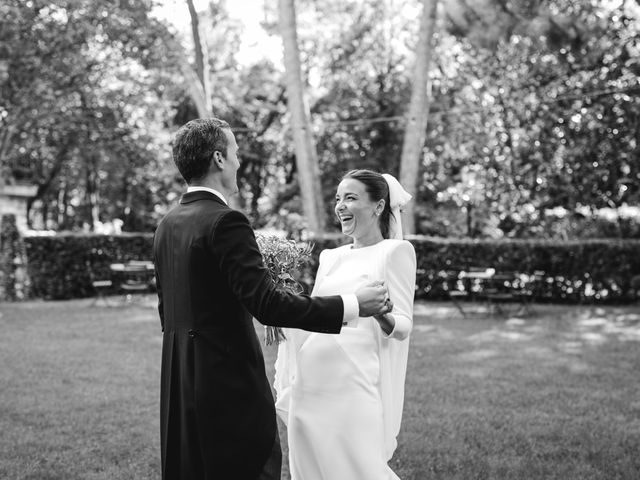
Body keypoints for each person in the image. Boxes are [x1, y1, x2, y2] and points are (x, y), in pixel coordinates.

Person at [152, 118, 391, 480]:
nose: (237, 163)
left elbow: (166, 313)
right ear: (218, 158)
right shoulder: (226, 222)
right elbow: (268, 306)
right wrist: (354, 304)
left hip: (178, 383)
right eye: (234, 153)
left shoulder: (167, 225)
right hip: (228, 389)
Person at [274, 169, 417, 480]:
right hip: (310, 384)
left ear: (379, 206)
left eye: (351, 198)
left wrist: (380, 313)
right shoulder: (330, 257)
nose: (340, 206)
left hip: (353, 385)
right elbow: (315, 314)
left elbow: (404, 326)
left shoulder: (395, 252)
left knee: (358, 468)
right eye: (338, 199)